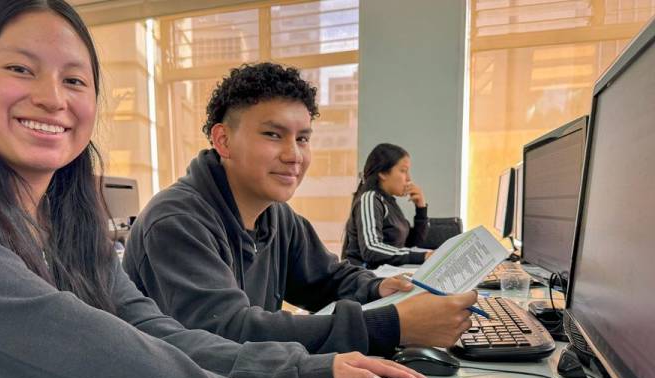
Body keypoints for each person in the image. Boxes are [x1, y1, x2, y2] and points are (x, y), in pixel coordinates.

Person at [0, 1, 429, 378]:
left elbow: (153, 335)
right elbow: (75, 347)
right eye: (20, 69)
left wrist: (307, 372)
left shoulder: (69, 223)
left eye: (75, 80)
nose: (52, 98)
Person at [122, 62, 476, 359]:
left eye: (303, 138)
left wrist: (379, 288)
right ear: (223, 140)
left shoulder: (276, 214)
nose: (294, 155)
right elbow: (229, 334)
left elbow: (326, 280)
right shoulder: (176, 222)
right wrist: (392, 326)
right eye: (273, 135)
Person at [342, 143, 431, 269]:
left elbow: (412, 244)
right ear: (383, 173)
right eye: (403, 171)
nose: (409, 178)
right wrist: (423, 256)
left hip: (384, 276)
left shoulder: (389, 202)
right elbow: (371, 249)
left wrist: (421, 208)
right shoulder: (370, 198)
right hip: (365, 279)